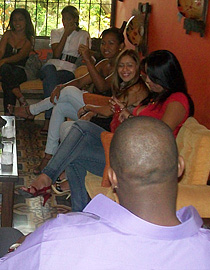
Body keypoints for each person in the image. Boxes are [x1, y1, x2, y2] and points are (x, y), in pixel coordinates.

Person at [0, 117, 210, 269]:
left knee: (3, 235)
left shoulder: (58, 237)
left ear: (111, 177)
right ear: (179, 167)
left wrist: (20, 246)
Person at [18, 50, 194, 211]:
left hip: (140, 162)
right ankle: (81, 215)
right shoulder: (156, 97)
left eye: (151, 76)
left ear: (164, 75)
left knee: (81, 129)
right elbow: (136, 115)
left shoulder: (177, 100)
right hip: (122, 149)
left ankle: (46, 178)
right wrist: (122, 111)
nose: (146, 79)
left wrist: (130, 118)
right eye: (146, 74)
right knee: (74, 149)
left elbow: (160, 133)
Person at [9, 27, 125, 174]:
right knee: (61, 106)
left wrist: (88, 60)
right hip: (92, 114)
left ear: (121, 46)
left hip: (106, 116)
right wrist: (60, 86)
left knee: (69, 92)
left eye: (111, 43)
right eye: (103, 43)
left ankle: (31, 110)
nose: (105, 47)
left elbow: (102, 87)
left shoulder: (123, 67)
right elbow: (80, 81)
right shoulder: (103, 64)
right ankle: (48, 156)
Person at [38, 5, 91, 134]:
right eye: (63, 18)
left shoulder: (83, 34)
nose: (65, 21)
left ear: (75, 19)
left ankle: (48, 119)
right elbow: (56, 54)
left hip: (68, 69)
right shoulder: (56, 32)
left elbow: (85, 54)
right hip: (51, 65)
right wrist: (65, 34)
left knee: (50, 81)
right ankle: (49, 119)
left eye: (68, 18)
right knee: (50, 73)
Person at [0, 8, 34, 113]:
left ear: (26, 21)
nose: (17, 23)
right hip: (2, 69)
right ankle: (19, 98)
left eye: (20, 19)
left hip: (19, 70)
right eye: (14, 20)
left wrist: (3, 61)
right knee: (6, 71)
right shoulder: (7, 34)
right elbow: (0, 52)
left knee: (8, 79)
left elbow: (20, 56)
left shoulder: (29, 39)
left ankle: (8, 113)